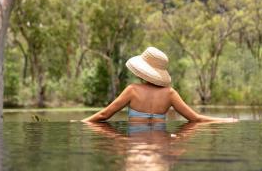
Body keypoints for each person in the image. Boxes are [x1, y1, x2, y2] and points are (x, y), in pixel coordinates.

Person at [81, 47, 236, 123]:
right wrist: (224, 120)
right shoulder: (170, 94)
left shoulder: (132, 90)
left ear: (142, 71)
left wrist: (82, 122)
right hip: (161, 144)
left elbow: (104, 115)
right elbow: (195, 118)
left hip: (136, 145)